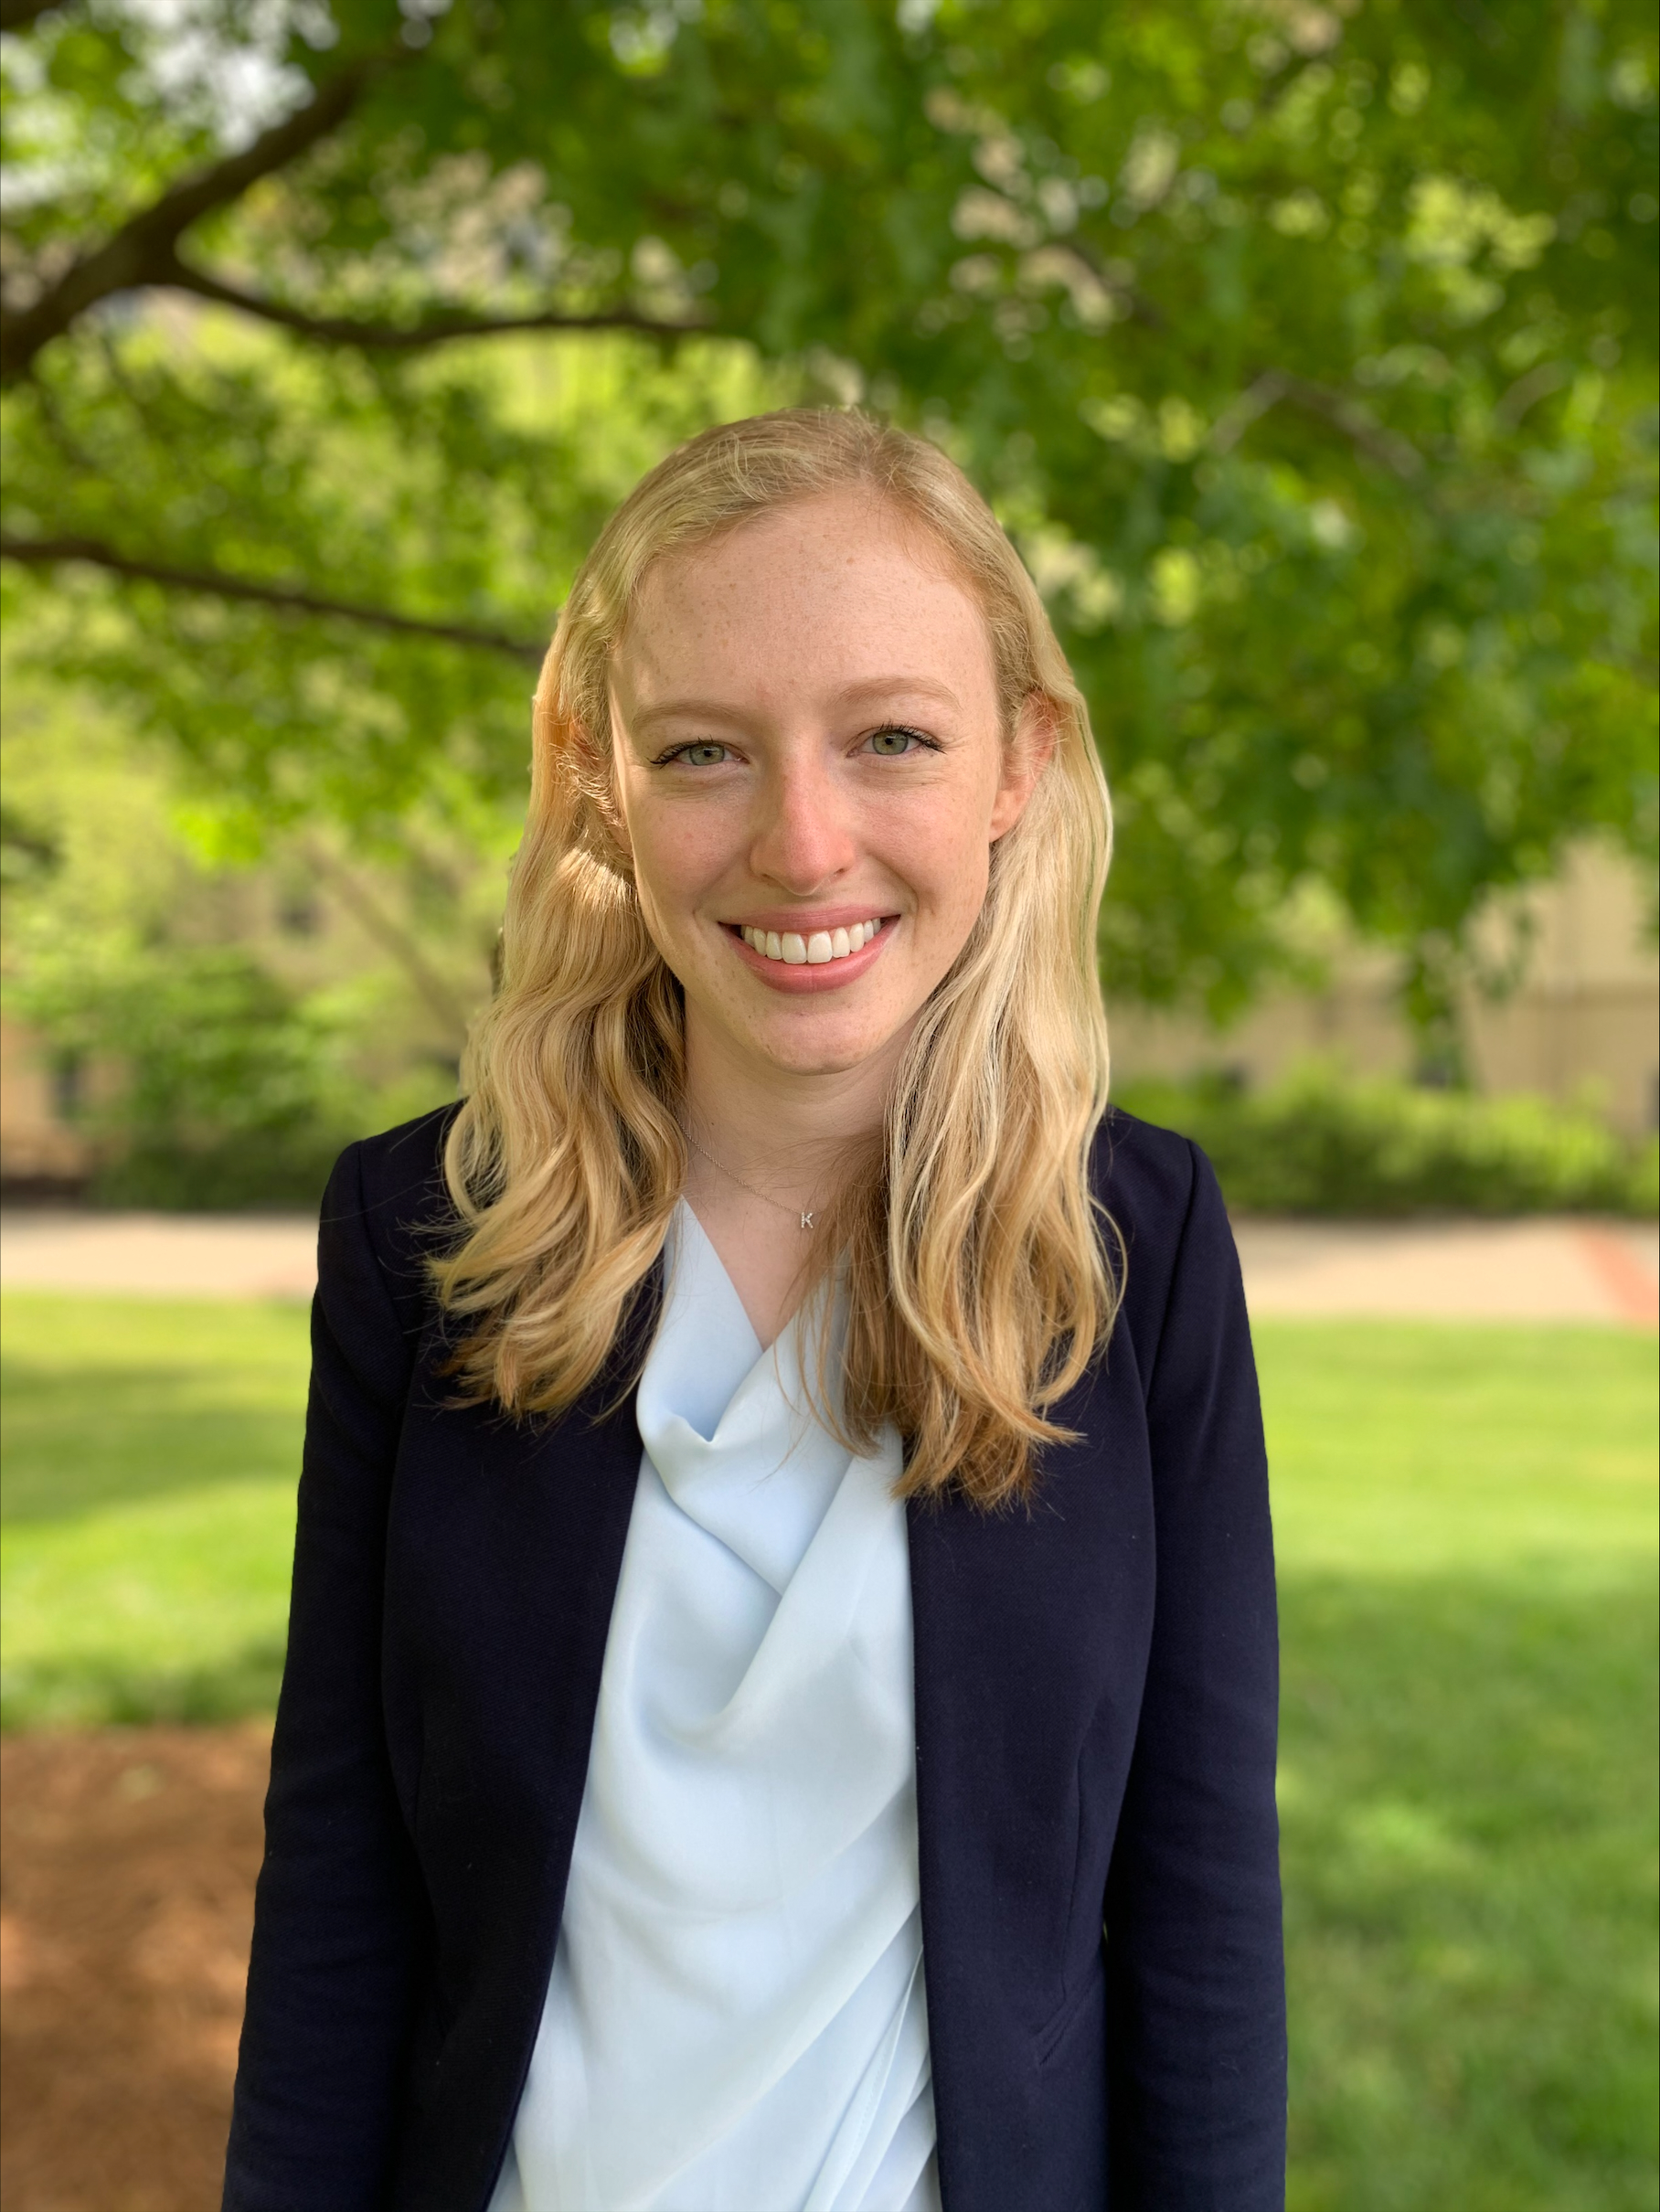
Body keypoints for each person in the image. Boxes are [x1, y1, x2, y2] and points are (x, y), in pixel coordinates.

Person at [222, 409, 1284, 2212]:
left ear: (1016, 762)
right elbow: (341, 1884)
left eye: (890, 738)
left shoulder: (1132, 1247)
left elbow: (1191, 1912)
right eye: (705, 749)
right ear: (593, 773)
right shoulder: (424, 1239)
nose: (802, 845)